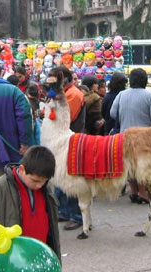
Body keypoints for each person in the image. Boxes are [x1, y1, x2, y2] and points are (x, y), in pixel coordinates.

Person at [110, 68, 151, 204]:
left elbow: (112, 113)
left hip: (125, 136)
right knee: (143, 166)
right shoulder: (150, 96)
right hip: (144, 138)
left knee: (130, 166)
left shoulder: (122, 94)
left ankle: (133, 191)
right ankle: (143, 194)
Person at [54, 66, 85, 231]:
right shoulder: (67, 93)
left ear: (63, 78)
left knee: (71, 179)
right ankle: (65, 211)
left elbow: (65, 119)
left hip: (71, 142)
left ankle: (76, 215)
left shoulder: (72, 94)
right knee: (62, 178)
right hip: (64, 142)